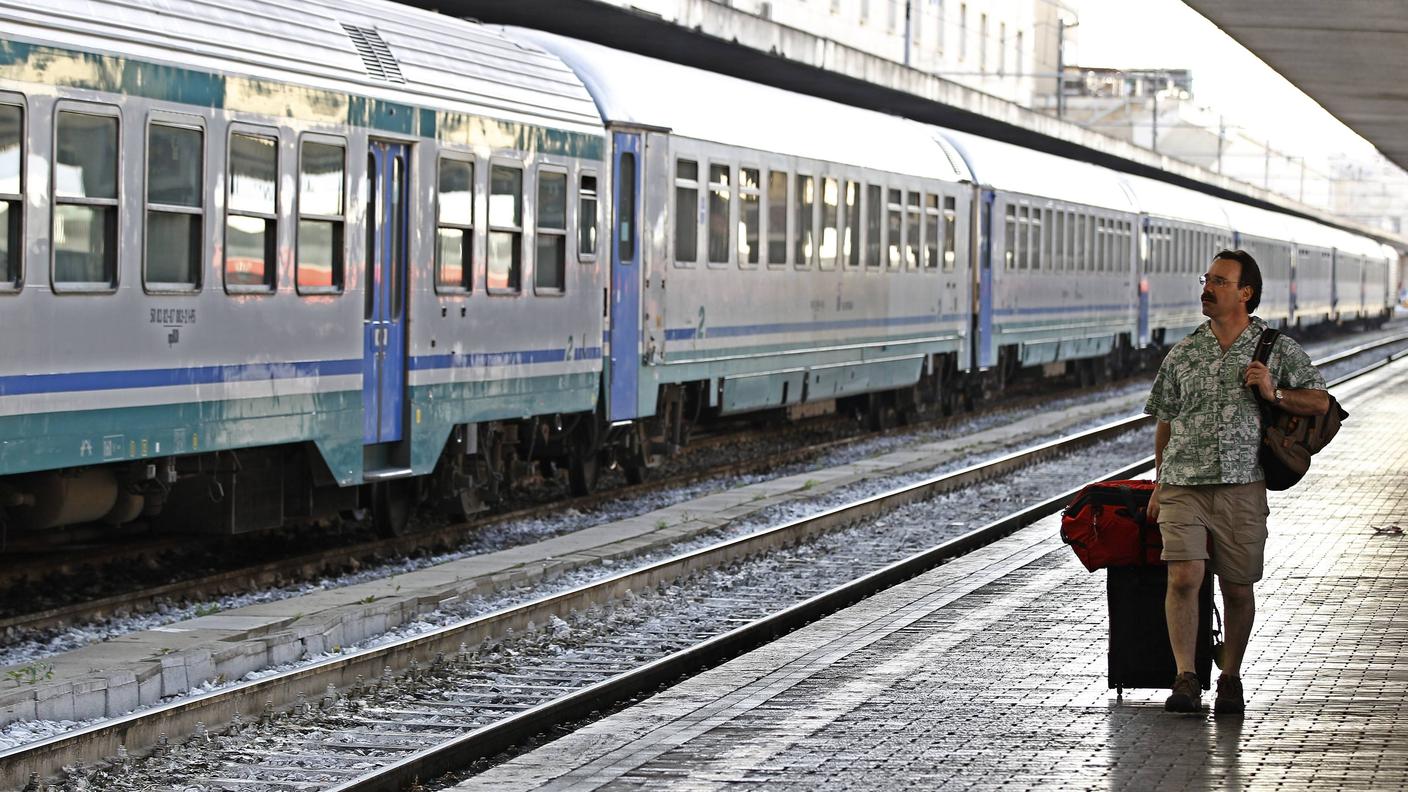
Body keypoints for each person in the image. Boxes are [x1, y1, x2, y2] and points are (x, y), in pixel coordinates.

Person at [1144, 249, 1329, 714]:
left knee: (1238, 587)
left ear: (1246, 293)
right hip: (1184, 483)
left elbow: (1321, 402)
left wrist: (1275, 391)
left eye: (1220, 282)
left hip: (1242, 483)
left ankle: (1230, 675)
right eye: (1207, 279)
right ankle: (1186, 676)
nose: (1207, 288)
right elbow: (1165, 421)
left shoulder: (1275, 348)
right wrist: (1160, 481)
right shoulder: (1184, 352)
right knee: (1184, 575)